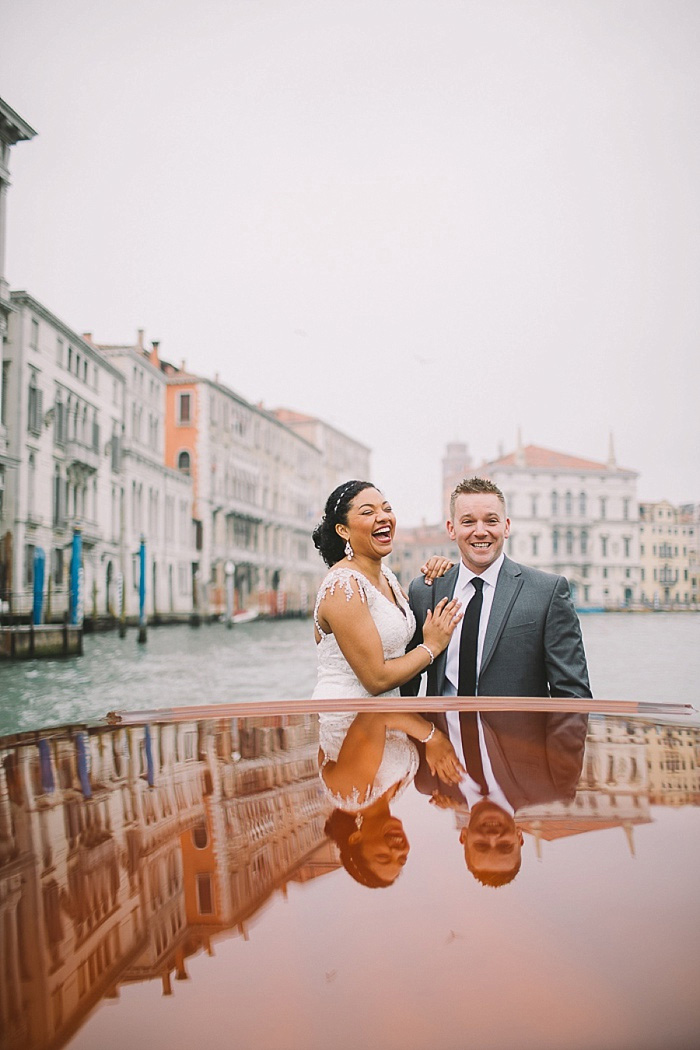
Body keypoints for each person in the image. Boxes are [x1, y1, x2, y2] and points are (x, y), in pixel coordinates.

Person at [402, 474, 591, 886]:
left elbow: (572, 695)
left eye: (491, 520)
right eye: (468, 521)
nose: (480, 531)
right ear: (451, 529)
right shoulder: (425, 591)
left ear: (507, 526)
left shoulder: (546, 591)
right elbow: (409, 689)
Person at [311, 480, 465, 885]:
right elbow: (376, 678)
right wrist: (432, 648)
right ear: (343, 531)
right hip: (354, 714)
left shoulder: (387, 578)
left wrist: (440, 571)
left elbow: (393, 657)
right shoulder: (343, 584)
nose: (383, 517)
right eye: (367, 512)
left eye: (386, 508)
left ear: (358, 838)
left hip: (380, 713)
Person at [413, 708, 588, 886]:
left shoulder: (430, 781)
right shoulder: (554, 785)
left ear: (464, 837)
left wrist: (430, 736)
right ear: (519, 837)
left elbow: (406, 703)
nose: (493, 837)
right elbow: (571, 701)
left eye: (481, 845)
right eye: (505, 846)